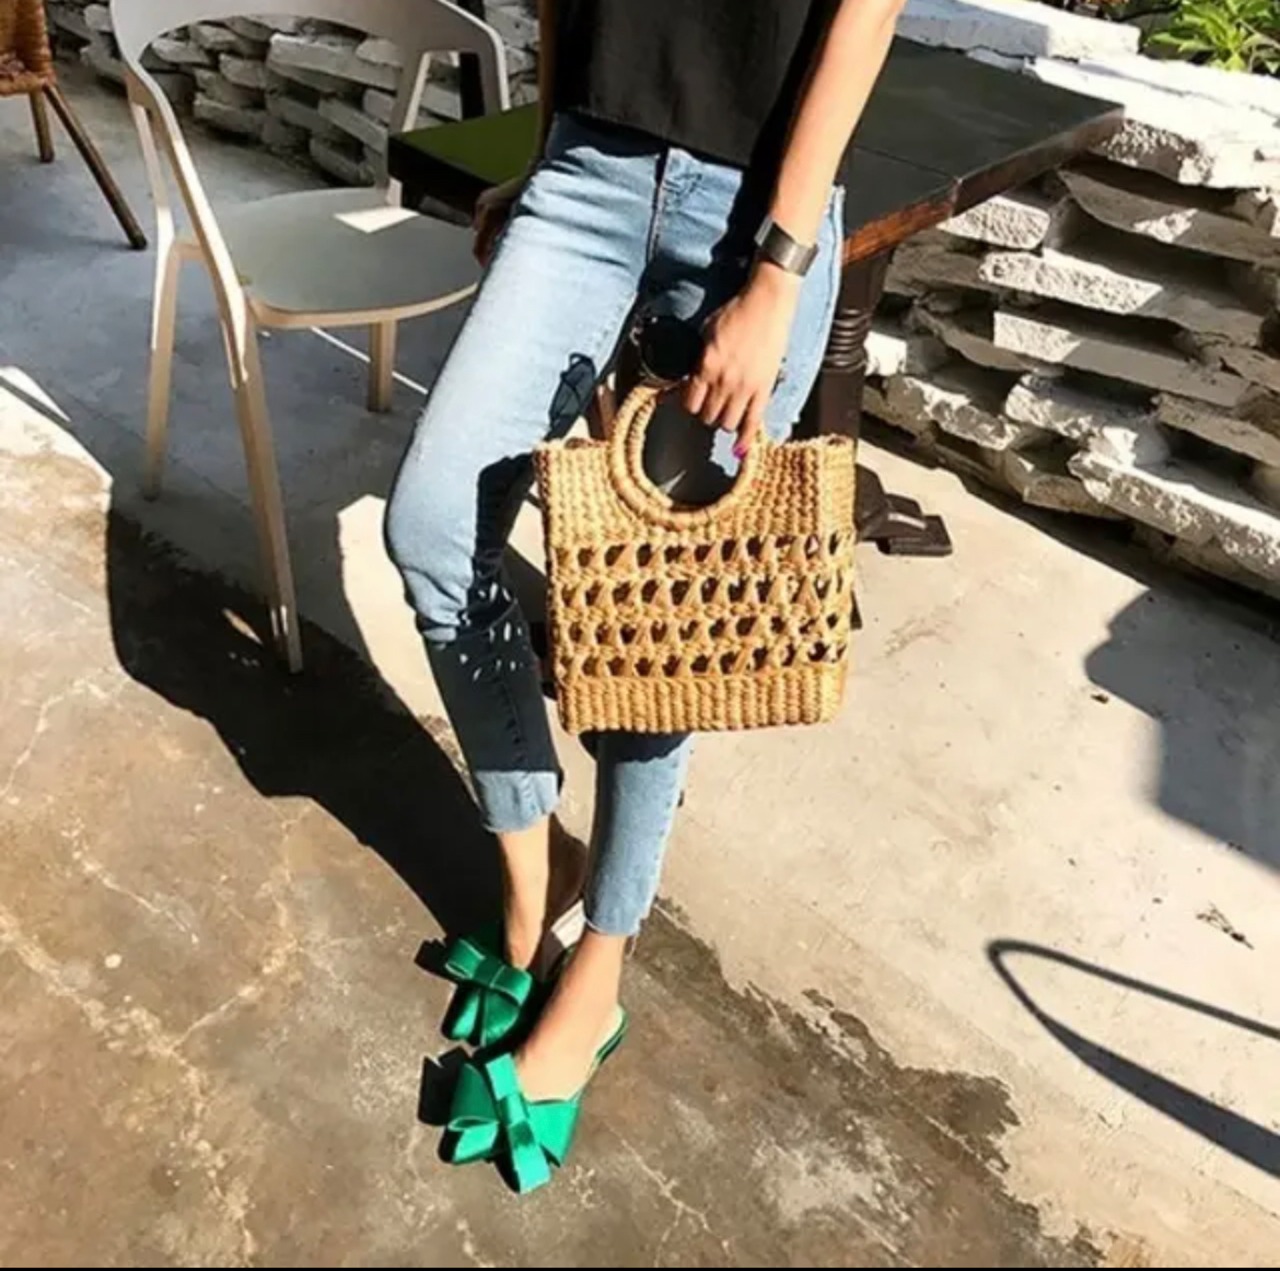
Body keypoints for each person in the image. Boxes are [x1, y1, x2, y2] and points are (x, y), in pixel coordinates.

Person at [385, 0, 907, 1192]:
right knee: (431, 521)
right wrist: (542, 155)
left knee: (664, 626)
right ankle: (537, 875)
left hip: (755, 215)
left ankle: (599, 968)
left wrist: (777, 273)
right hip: (585, 174)